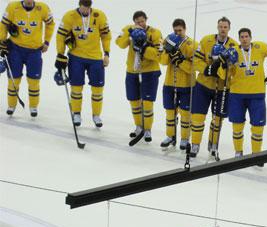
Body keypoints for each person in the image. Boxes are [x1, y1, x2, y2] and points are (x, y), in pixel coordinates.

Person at [228, 28, 267, 162]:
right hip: (237, 94)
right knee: (237, 126)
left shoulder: (260, 47)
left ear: (251, 37)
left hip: (257, 94)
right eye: (242, 37)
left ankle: (256, 155)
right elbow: (227, 74)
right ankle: (238, 152)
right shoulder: (233, 51)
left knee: (258, 127)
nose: (244, 39)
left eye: (246, 36)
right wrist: (227, 64)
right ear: (239, 38)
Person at [55, 0, 111, 128]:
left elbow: (106, 36)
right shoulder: (69, 16)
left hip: (95, 58)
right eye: (83, 8)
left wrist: (107, 53)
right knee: (76, 87)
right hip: (76, 57)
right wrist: (60, 54)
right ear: (79, 5)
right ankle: (76, 113)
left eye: (88, 8)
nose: (86, 10)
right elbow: (60, 36)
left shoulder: (99, 15)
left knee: (97, 89)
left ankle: (96, 115)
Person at [190, 17, 239, 159]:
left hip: (222, 88)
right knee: (197, 117)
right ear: (217, 27)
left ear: (229, 28)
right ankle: (195, 144)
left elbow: (235, 71)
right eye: (220, 26)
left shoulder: (234, 46)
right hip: (203, 86)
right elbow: (196, 59)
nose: (222, 29)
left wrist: (225, 68)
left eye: (225, 27)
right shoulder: (206, 40)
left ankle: (213, 145)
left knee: (217, 120)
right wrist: (206, 69)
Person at [0, 0, 54, 117]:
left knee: (34, 81)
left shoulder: (43, 8)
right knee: (14, 79)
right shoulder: (12, 7)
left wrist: (47, 41)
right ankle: (11, 105)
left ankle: (33, 106)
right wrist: (2, 42)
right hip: (15, 49)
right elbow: (3, 24)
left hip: (34, 51)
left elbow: (50, 24)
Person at [115, 10, 162, 142]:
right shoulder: (128, 29)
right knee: (134, 101)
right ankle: (139, 127)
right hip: (132, 71)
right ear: (134, 22)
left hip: (150, 72)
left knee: (147, 103)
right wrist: (130, 35)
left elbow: (158, 55)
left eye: (142, 21)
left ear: (146, 20)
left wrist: (145, 47)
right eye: (137, 22)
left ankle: (147, 129)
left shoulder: (155, 33)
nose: (140, 24)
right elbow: (119, 44)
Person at [158, 19, 197, 151]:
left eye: (180, 30)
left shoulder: (192, 44)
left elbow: (193, 68)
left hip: (186, 85)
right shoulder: (168, 40)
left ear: (185, 29)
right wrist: (168, 50)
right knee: (170, 112)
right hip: (169, 83)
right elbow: (163, 62)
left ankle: (185, 138)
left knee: (185, 114)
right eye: (175, 30)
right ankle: (170, 136)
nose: (178, 33)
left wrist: (181, 61)